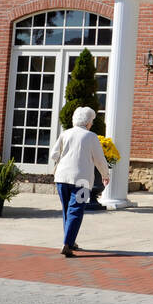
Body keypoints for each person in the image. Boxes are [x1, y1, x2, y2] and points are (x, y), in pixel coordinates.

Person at [49, 106, 110, 257]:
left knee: (67, 211)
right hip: (81, 180)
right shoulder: (91, 136)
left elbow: (53, 154)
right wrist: (105, 174)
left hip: (62, 178)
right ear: (88, 122)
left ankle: (69, 240)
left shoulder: (65, 133)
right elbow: (99, 159)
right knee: (76, 211)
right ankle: (67, 243)